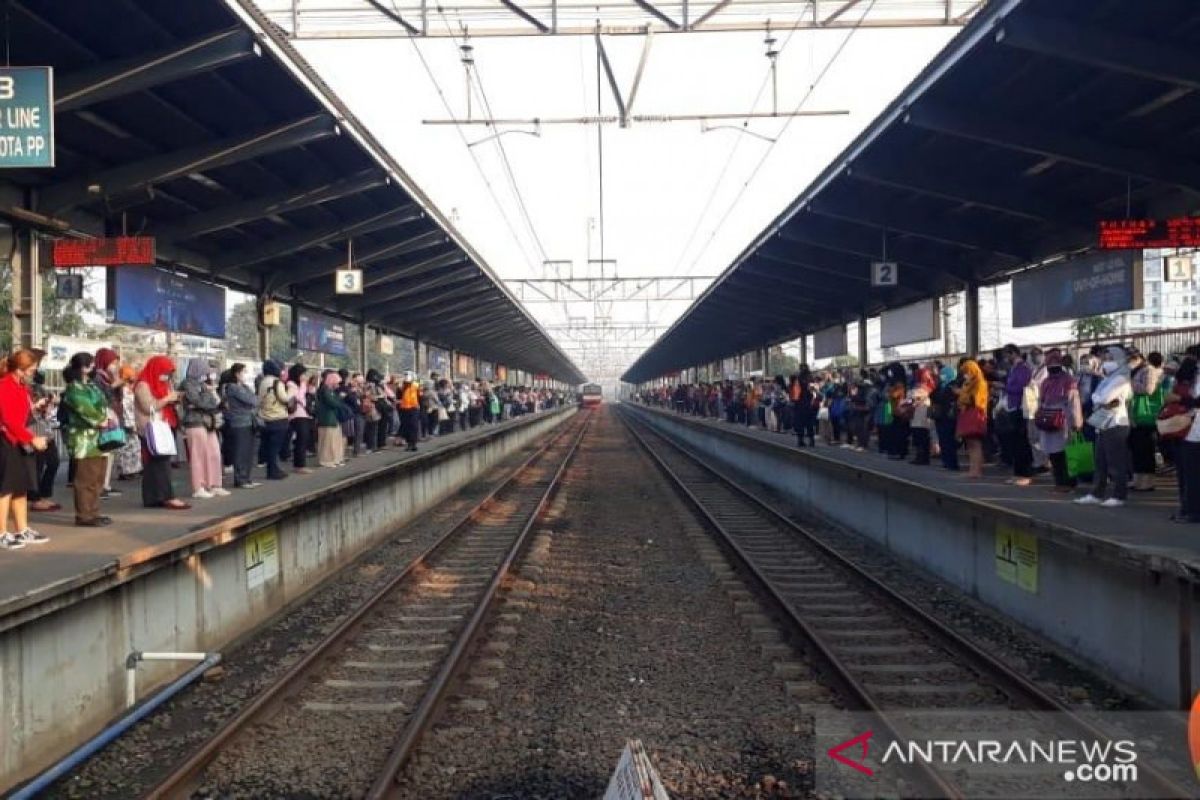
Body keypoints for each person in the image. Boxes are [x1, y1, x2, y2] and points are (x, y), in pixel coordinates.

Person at [0, 349, 50, 548]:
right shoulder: (4, 386)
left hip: (18, 441)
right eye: (32, 368)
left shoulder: (21, 387)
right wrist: (32, 438)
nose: (34, 371)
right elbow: (9, 420)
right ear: (21, 368)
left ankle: (22, 529)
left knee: (20, 488)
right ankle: (1, 532)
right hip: (6, 441)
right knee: (5, 488)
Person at [1075, 346, 1134, 508]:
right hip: (1103, 423)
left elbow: (1104, 398)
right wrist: (1098, 398)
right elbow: (1098, 398)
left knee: (1116, 462)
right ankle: (1096, 493)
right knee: (1100, 461)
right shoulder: (1107, 379)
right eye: (1106, 358)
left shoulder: (1121, 379)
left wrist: (1098, 398)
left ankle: (1119, 495)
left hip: (1116, 424)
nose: (1106, 362)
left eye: (1110, 358)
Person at [62, 352, 113, 526]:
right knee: (85, 479)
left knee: (97, 478)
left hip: (99, 438)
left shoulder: (91, 385)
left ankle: (93, 512)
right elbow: (85, 409)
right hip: (84, 440)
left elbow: (103, 403)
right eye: (90, 364)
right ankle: (84, 515)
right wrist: (102, 419)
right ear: (82, 368)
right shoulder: (74, 388)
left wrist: (104, 418)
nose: (93, 367)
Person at [134, 356, 190, 510]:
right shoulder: (143, 385)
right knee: (159, 463)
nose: (166, 376)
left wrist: (174, 399)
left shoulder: (165, 384)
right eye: (164, 372)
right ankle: (166, 496)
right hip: (152, 429)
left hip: (166, 425)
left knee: (160, 463)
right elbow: (148, 407)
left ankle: (155, 497)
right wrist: (167, 398)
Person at [1034, 349, 1082, 492]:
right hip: (1052, 421)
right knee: (1055, 454)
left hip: (1063, 421)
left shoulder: (1068, 381)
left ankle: (1067, 483)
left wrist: (1077, 423)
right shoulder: (1048, 382)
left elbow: (1074, 403)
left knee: (1064, 453)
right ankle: (1060, 482)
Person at [180, 360, 226, 499]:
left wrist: (205, 398)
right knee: (197, 456)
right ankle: (198, 487)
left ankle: (214, 484)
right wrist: (207, 394)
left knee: (214, 453)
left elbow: (215, 404)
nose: (207, 374)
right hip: (195, 422)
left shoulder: (203, 384)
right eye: (205, 370)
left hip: (208, 422)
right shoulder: (188, 384)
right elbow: (199, 402)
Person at [1128, 349, 1163, 492]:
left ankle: (1148, 482)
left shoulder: (1149, 370)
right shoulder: (1138, 370)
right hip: (1137, 414)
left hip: (1146, 415)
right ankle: (1137, 479)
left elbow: (1149, 389)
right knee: (1137, 448)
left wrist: (1129, 386)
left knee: (1145, 449)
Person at [220, 364, 259, 489]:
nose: (245, 375)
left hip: (249, 421)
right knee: (241, 451)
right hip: (239, 422)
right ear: (237, 374)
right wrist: (252, 399)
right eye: (243, 372)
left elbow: (255, 400)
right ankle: (240, 479)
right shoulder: (232, 388)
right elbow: (252, 400)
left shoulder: (244, 387)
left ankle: (247, 478)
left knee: (249, 451)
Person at [27, 371, 61, 512]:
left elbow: (49, 404)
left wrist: (49, 402)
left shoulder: (39, 388)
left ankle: (44, 495)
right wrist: (38, 405)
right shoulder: (21, 388)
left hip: (46, 429)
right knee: (37, 465)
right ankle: (35, 499)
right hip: (32, 430)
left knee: (53, 461)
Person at [1001, 344, 1034, 486]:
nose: (1006, 358)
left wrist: (1004, 387)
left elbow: (1021, 386)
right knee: (1014, 442)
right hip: (1012, 407)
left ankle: (1025, 474)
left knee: (1022, 442)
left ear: (1014, 353)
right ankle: (1017, 473)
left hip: (1021, 407)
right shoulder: (1013, 369)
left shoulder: (1023, 369)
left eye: (1008, 355)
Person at [256, 360, 291, 480]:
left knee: (268, 446)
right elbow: (285, 399)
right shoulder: (277, 382)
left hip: (265, 418)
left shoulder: (262, 382)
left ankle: (272, 469)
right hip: (278, 418)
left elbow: (259, 400)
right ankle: (273, 471)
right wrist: (291, 392)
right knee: (275, 448)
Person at [957, 359, 988, 479]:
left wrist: (961, 396)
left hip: (976, 415)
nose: (966, 374)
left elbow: (976, 401)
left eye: (967, 371)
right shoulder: (968, 383)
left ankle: (977, 471)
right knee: (970, 444)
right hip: (967, 414)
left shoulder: (980, 383)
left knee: (975, 444)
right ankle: (972, 469)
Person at [316, 370, 348, 467]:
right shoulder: (324, 390)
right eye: (336, 382)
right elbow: (333, 403)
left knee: (335, 440)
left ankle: (335, 458)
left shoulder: (330, 391)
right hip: (327, 419)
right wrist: (340, 398)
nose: (337, 384)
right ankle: (326, 460)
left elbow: (335, 402)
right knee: (327, 441)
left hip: (333, 419)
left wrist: (338, 397)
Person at [930, 365, 959, 471]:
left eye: (943, 374)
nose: (941, 375)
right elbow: (932, 395)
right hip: (940, 416)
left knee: (949, 440)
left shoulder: (953, 385)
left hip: (949, 416)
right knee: (942, 439)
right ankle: (946, 461)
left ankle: (952, 463)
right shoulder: (941, 386)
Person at [286, 363, 313, 475]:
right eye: (303, 374)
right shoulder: (291, 384)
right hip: (297, 415)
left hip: (303, 414)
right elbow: (298, 398)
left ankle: (300, 464)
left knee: (303, 439)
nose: (305, 376)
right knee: (301, 440)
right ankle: (299, 466)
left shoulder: (298, 385)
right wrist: (303, 385)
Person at [398, 371, 422, 451]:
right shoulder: (402, 386)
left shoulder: (415, 385)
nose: (406, 377)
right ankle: (409, 443)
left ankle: (413, 443)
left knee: (413, 426)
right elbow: (399, 395)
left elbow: (420, 395)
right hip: (404, 408)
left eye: (407, 376)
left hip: (413, 408)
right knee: (407, 426)